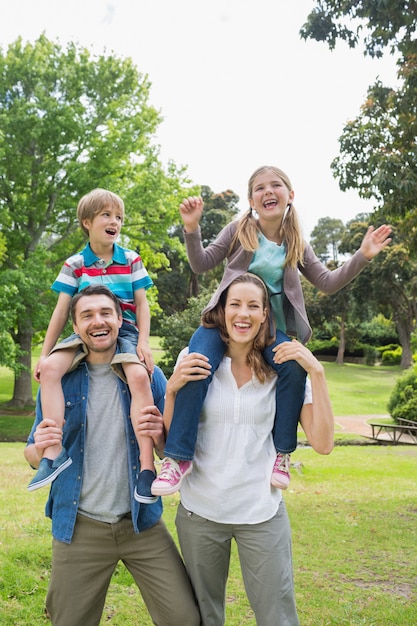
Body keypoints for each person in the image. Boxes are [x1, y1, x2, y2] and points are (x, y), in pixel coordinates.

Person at [151, 165, 392, 496]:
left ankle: (282, 454)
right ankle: (178, 458)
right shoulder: (238, 230)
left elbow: (327, 282)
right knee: (196, 364)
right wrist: (191, 229)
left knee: (293, 366)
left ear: (289, 195)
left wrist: (363, 255)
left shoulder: (295, 242)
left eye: (276, 185)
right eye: (259, 188)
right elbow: (201, 263)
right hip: (225, 322)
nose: (268, 191)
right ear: (251, 199)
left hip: (269, 330)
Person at [147, 273, 334, 625]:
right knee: (205, 616)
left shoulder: (286, 372)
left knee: (277, 617)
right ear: (221, 310)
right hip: (200, 512)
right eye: (235, 304)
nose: (243, 314)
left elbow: (323, 444)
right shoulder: (195, 357)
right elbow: (169, 442)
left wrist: (317, 372)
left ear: (266, 314)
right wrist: (171, 390)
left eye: (253, 306)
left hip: (260, 513)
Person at [24, 285, 200, 626]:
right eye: (86, 315)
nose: (97, 321)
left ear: (120, 320)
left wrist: (158, 434)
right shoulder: (59, 380)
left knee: (184, 618)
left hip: (140, 523)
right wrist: (40, 446)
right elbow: (33, 453)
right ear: (75, 327)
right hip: (80, 526)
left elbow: (169, 451)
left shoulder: (149, 376)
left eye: (105, 313)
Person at [30, 189, 158, 504]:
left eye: (118, 217)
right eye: (106, 215)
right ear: (87, 222)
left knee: (140, 377)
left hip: (123, 332)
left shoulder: (130, 259)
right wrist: (45, 354)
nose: (114, 221)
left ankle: (146, 467)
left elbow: (142, 305)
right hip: (84, 334)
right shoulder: (75, 264)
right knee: (49, 370)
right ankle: (53, 452)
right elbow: (61, 312)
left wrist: (142, 342)